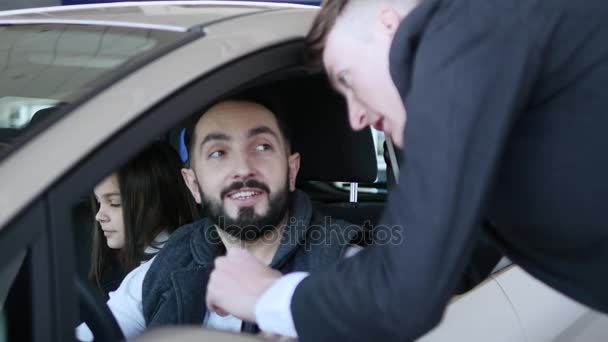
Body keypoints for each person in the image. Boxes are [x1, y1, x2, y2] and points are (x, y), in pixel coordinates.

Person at [205, 0, 608, 341]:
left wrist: (267, 296)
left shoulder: (462, 28)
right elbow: (453, 260)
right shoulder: (499, 87)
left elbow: (404, 293)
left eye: (346, 78)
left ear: (390, 28)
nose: (356, 117)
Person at [81, 98, 360, 339]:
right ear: (192, 184)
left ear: (291, 170)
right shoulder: (170, 262)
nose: (242, 169)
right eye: (218, 153)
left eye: (262, 147)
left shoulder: (350, 268)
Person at [77, 141, 199, 340]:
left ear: (156, 201)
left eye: (114, 203)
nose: (99, 216)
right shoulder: (168, 261)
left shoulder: (149, 277)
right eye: (99, 203)